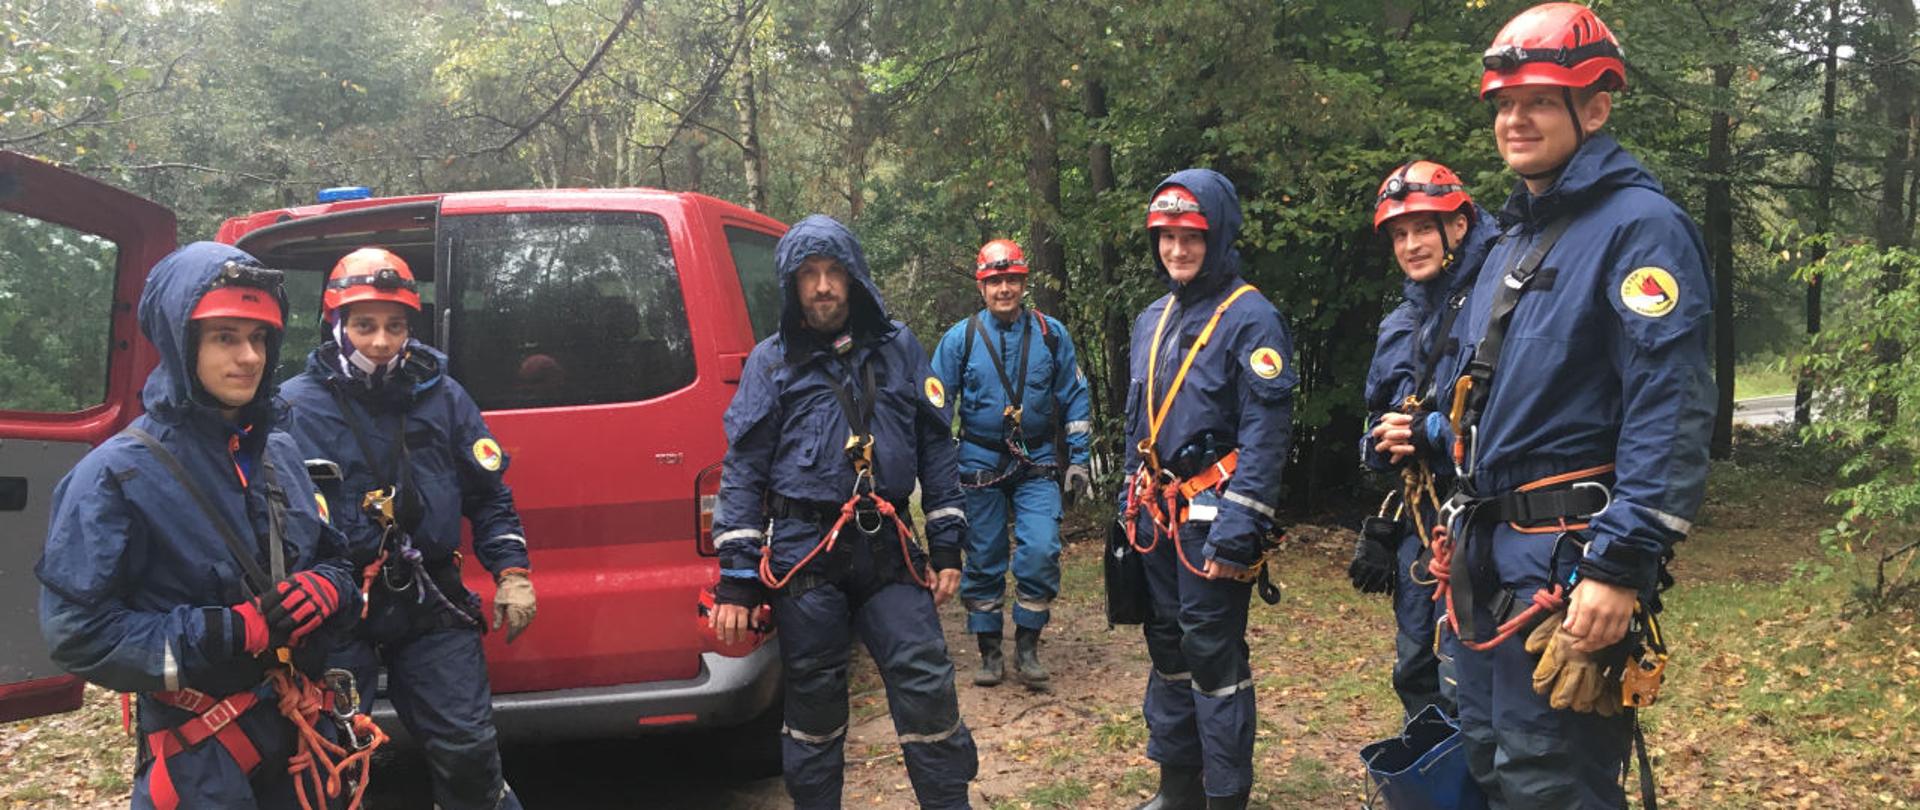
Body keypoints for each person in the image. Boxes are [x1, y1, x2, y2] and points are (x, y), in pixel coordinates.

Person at [1420, 4, 1714, 806]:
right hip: (1486, 560)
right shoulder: (1508, 244)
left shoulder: (1640, 230)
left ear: (1596, 107)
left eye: (1541, 101)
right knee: (1487, 761)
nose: (1516, 119)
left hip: (1567, 564)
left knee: (1551, 781)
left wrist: (1621, 566)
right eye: (1506, 104)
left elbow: (1671, 403)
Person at [37, 242, 363, 809]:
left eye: (259, 338)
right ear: (180, 343)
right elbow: (78, 635)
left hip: (300, 735)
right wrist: (230, 632)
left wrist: (330, 588)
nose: (250, 357)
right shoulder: (115, 475)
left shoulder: (280, 454)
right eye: (225, 338)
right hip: (201, 753)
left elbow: (334, 558)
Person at [707, 215, 979, 810]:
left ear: (854, 280)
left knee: (926, 681)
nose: (824, 286)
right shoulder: (769, 363)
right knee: (815, 704)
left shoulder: (900, 348)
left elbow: (936, 444)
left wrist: (949, 542)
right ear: (792, 285)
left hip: (888, 548)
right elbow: (744, 469)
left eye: (834, 273)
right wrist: (737, 579)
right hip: (805, 551)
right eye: (810, 275)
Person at [277, 247, 536, 810]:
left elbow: (489, 493)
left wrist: (513, 572)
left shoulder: (443, 397)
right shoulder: (295, 408)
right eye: (364, 325)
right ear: (336, 322)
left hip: (430, 600)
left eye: (395, 326)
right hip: (337, 609)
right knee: (332, 760)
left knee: (469, 750)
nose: (380, 342)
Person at [1120, 171, 1296, 810]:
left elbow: (1267, 432)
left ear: (1217, 234)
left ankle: (1226, 796)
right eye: (1165, 237)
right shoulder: (1153, 318)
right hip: (1156, 515)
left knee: (1213, 659)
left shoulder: (1252, 317)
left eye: (1191, 236)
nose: (1176, 249)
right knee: (1167, 649)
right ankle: (1178, 787)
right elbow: (1137, 420)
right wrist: (1125, 503)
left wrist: (1241, 525)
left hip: (1213, 517)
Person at [1352, 160, 1498, 719]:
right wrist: (1380, 442)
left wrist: (1430, 429)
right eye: (1399, 235)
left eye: (1422, 229)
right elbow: (1376, 417)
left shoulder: (1495, 303)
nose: (1411, 245)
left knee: (1468, 671)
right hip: (1421, 523)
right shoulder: (1400, 324)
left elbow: (1510, 412)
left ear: (1458, 227)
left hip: (1483, 517)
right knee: (1414, 663)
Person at [930, 238, 1093, 690]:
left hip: (1037, 459)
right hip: (978, 460)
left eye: (1012, 280)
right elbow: (935, 409)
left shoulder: (1050, 334)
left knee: (1040, 549)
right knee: (983, 555)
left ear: (1023, 282)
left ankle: (1027, 644)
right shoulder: (959, 340)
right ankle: (988, 651)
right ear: (982, 288)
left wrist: (1078, 461)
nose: (1004, 289)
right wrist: (938, 470)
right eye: (995, 281)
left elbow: (1075, 397)